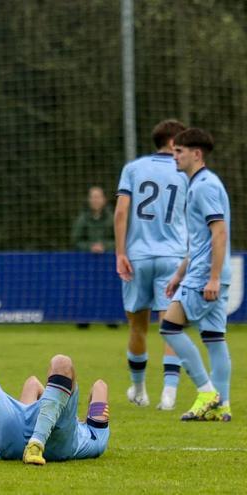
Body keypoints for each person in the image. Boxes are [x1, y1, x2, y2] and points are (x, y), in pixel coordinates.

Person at [160, 128, 232, 422]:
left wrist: (212, 278)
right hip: (209, 271)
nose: (174, 156)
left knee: (169, 328)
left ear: (196, 154)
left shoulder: (203, 186)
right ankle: (222, 405)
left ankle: (206, 391)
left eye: (179, 152)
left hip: (205, 275)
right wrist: (179, 273)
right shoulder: (207, 183)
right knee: (215, 339)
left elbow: (219, 232)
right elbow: (203, 239)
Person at [114, 119, 187, 409]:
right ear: (172, 143)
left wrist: (120, 252)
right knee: (171, 327)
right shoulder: (186, 171)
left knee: (137, 327)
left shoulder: (133, 169)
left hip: (138, 257)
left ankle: (139, 391)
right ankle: (168, 396)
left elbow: (121, 212)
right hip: (172, 257)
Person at [0, 352, 109, 464]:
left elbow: (32, 383)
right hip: (43, 435)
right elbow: (100, 386)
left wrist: (55, 402)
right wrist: (81, 415)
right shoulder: (95, 437)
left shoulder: (96, 439)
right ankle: (34, 446)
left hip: (14, 439)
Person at [73, 187, 115, 253]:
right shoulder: (82, 219)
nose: (95, 200)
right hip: (87, 258)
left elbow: (119, 241)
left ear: (104, 199)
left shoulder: (112, 218)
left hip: (109, 258)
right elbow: (76, 241)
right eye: (93, 197)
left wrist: (104, 246)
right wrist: (90, 247)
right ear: (88, 200)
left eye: (98, 197)